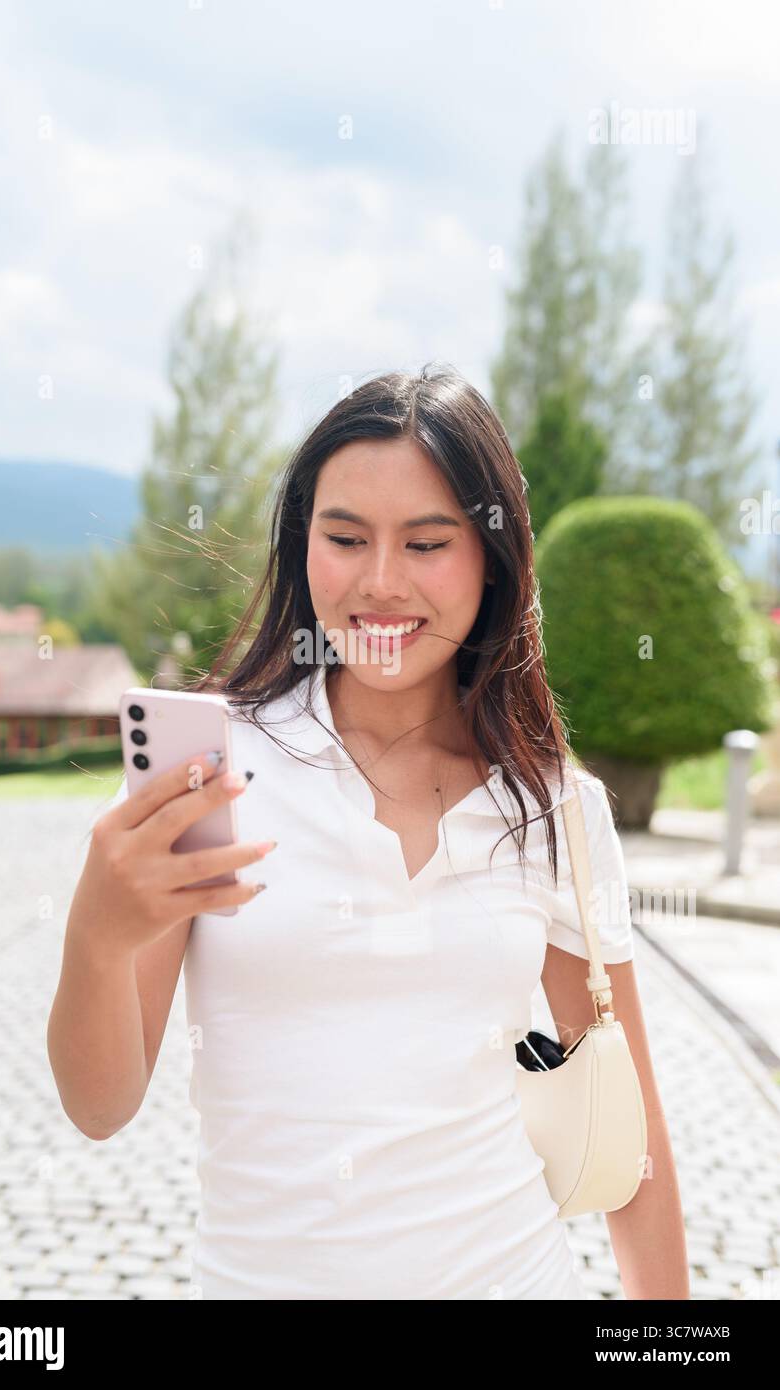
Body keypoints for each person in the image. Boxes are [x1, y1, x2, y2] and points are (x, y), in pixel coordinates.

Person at [48, 364, 689, 1300]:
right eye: (344, 538)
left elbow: (634, 1133)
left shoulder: (553, 805)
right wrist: (96, 936)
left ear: (492, 558)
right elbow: (100, 1106)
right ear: (303, 543)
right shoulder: (211, 769)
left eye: (427, 542)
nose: (380, 584)